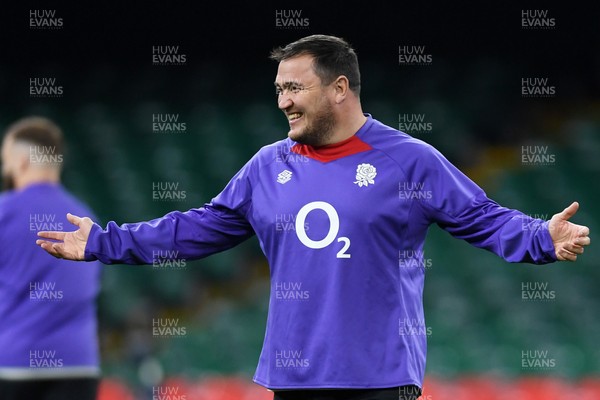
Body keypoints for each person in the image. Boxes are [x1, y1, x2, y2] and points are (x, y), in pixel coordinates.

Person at [36, 35, 590, 400]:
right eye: (279, 89)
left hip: (379, 379)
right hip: (293, 379)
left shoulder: (409, 160)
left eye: (294, 87)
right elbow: (197, 229)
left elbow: (484, 218)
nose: (283, 100)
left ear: (340, 88)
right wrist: (102, 242)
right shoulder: (267, 166)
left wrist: (542, 236)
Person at [1, 116, 102, 400]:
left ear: (20, 163)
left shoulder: (3, 212)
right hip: (79, 367)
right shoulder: (86, 218)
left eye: (5, 160)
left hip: (13, 365)